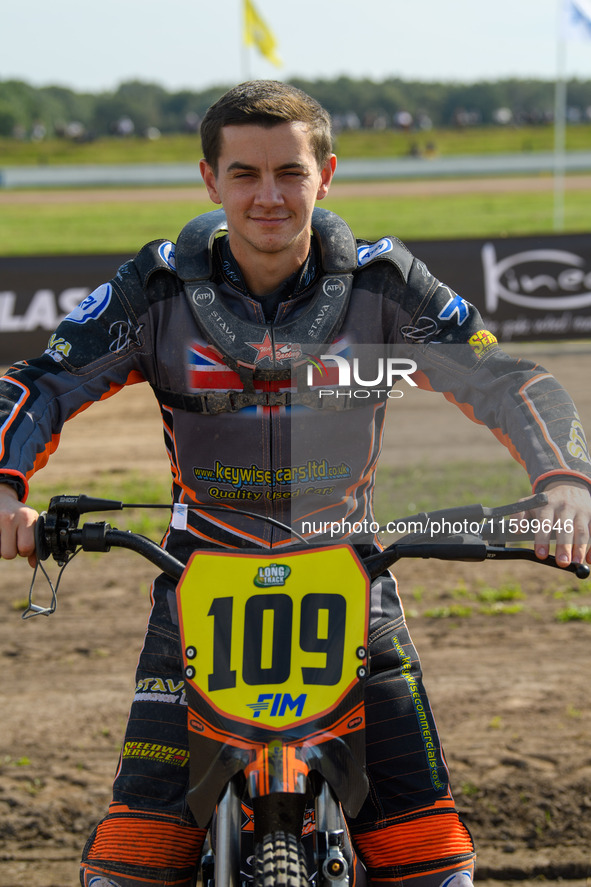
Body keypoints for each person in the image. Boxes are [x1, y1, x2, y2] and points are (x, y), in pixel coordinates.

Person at [1, 80, 590, 887]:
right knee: (128, 865)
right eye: (244, 174)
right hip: (194, 588)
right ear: (209, 181)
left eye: (289, 172)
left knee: (432, 862)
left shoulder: (386, 285)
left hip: (354, 584)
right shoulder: (156, 288)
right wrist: (4, 485)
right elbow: (41, 382)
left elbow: (506, 377)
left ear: (327, 174)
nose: (268, 195)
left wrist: (563, 482)